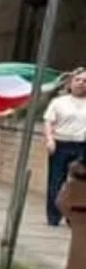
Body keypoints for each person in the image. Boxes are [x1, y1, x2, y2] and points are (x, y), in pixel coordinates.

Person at [43, 69, 86, 227]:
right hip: (61, 144)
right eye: (78, 80)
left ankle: (72, 216)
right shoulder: (58, 102)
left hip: (82, 145)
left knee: (78, 183)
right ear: (71, 83)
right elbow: (49, 122)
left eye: (85, 81)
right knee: (56, 180)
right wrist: (50, 140)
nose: (81, 83)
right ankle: (54, 216)